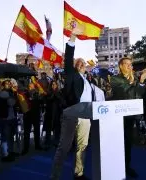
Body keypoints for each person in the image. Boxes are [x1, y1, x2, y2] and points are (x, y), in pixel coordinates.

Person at [51, 26, 96, 180]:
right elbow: (69, 56)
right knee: (64, 147)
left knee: (82, 147)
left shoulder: (88, 80)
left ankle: (79, 173)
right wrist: (72, 37)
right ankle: (55, 176)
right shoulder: (71, 74)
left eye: (84, 63)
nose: (82, 64)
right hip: (72, 114)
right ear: (75, 66)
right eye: (79, 62)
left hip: (86, 115)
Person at [110, 57, 146, 178]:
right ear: (121, 66)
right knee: (118, 142)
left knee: (128, 141)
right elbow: (123, 92)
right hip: (118, 115)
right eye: (126, 64)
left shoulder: (135, 79)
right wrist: (134, 83)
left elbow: (140, 93)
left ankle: (127, 166)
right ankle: (116, 165)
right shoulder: (115, 78)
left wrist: (141, 82)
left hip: (131, 114)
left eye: (130, 64)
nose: (129, 66)